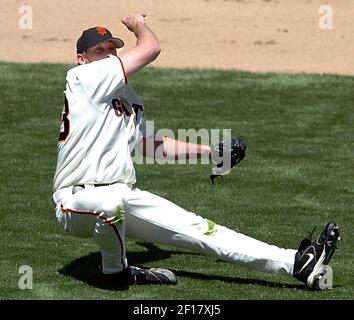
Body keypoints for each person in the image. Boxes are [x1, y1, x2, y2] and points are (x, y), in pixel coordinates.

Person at [52, 13, 340, 289]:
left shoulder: (128, 99)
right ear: (82, 58)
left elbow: (150, 146)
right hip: (77, 200)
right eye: (99, 50)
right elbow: (151, 48)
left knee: (200, 229)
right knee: (108, 206)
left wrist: (212, 152)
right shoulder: (82, 78)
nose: (109, 55)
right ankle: (116, 272)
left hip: (122, 193)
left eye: (112, 49)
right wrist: (138, 25)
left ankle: (295, 263)